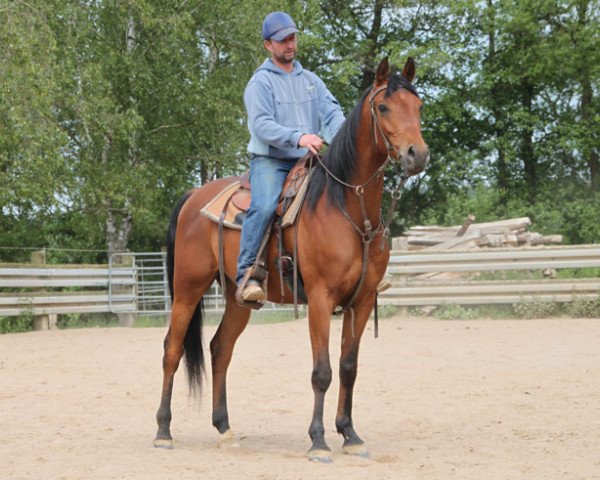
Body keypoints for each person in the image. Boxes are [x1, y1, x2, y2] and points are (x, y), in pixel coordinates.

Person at [236, 11, 346, 303]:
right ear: (267, 45)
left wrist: (343, 140)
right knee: (264, 205)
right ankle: (247, 273)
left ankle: (358, 266)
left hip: (308, 160)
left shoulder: (311, 80)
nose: (289, 44)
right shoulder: (260, 83)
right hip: (272, 161)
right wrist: (298, 137)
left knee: (344, 194)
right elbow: (262, 124)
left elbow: (332, 113)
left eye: (292, 38)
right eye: (282, 40)